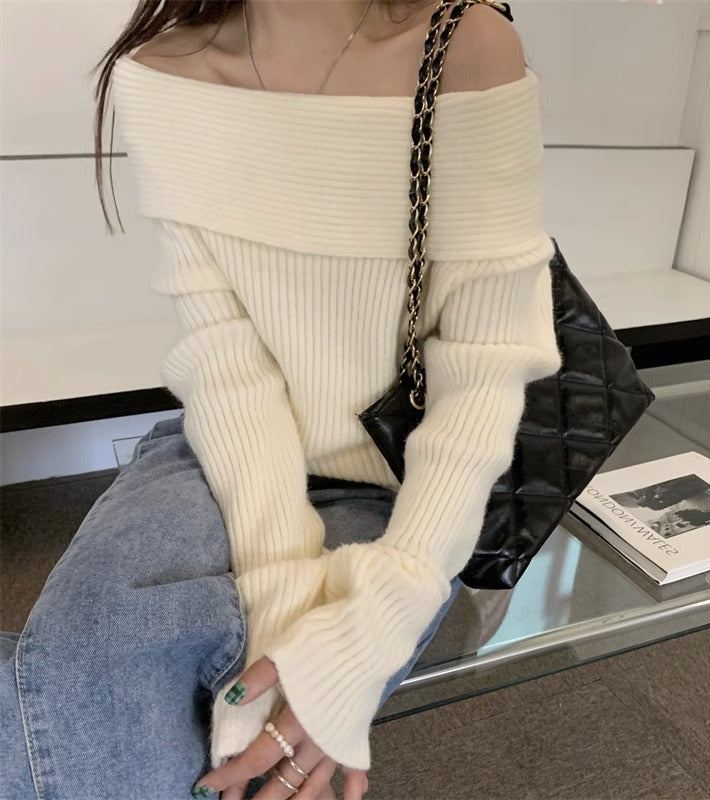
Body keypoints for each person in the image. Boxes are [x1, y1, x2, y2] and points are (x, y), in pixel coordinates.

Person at [1, 0, 563, 797]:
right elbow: (224, 359)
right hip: (225, 439)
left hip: (406, 469)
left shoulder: (467, 45)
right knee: (84, 648)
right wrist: (277, 589)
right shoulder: (161, 72)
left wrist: (382, 615)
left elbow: (483, 369)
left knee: (118, 699)